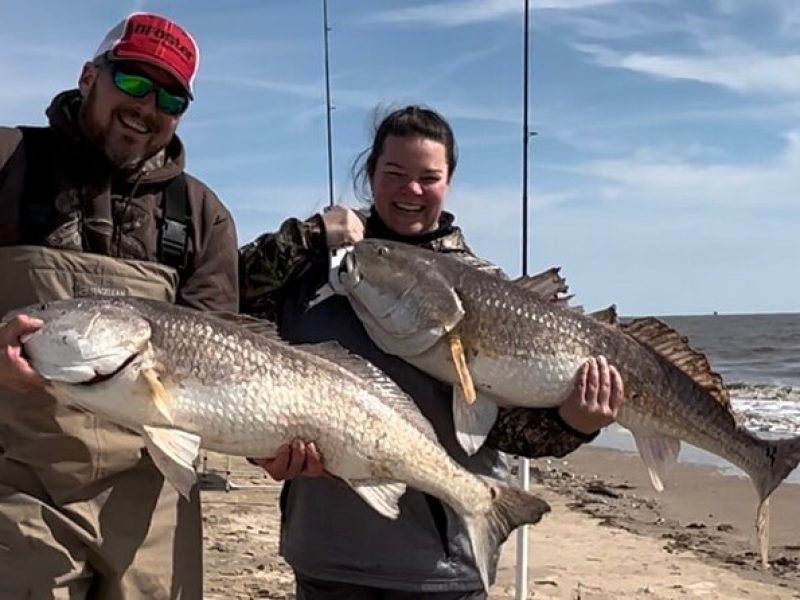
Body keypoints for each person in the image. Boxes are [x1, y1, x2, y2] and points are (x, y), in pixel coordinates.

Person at [239, 105, 624, 599]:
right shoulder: (310, 270)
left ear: (450, 181)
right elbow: (219, 312)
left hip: (441, 569)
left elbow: (508, 429)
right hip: (325, 557)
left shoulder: (489, 290)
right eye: (394, 173)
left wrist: (576, 422)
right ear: (369, 172)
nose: (411, 190)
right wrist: (311, 234)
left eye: (429, 177)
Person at [0, 12, 238, 599]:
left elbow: (218, 366)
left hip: (152, 503)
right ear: (88, 76)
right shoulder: (7, 162)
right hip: (18, 489)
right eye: (133, 80)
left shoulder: (202, 214)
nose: (147, 104)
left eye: (170, 96)